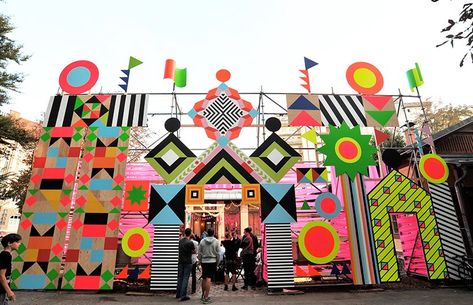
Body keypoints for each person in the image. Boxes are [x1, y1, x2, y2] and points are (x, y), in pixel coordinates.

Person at [198, 228, 219, 304]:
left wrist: (200, 260)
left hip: (204, 261)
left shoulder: (202, 241)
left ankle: (203, 295)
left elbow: (199, 252)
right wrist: (217, 262)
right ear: (213, 233)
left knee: (204, 277)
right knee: (209, 278)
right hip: (212, 261)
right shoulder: (216, 241)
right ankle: (206, 297)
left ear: (207, 233)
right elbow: (218, 253)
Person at [0, 233, 21, 304]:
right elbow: (1, 275)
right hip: (1, 290)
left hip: (3, 290)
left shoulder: (6, 254)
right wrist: (9, 291)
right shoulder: (6, 255)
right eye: (17, 242)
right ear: (9, 243)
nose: (19, 244)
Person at [176, 228, 195, 301]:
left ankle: (178, 294)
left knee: (180, 277)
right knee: (185, 278)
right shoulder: (190, 242)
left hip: (180, 261)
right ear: (190, 234)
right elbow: (193, 251)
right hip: (187, 261)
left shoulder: (180, 241)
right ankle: (183, 295)